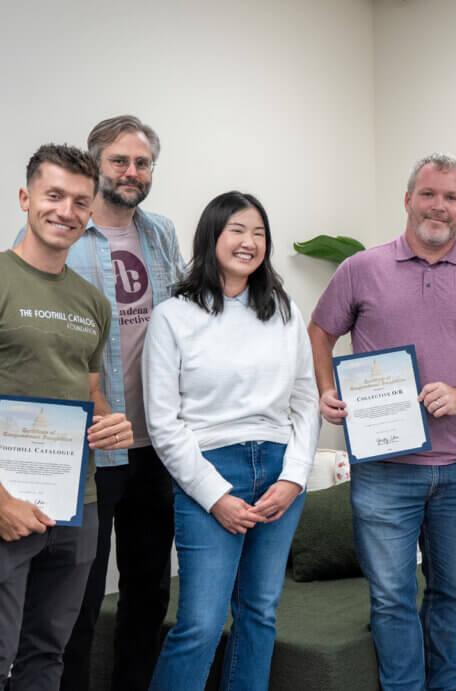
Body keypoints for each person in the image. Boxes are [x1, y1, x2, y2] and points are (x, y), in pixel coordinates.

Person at [308, 153, 456, 690]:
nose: (438, 206)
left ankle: (444, 683)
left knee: (453, 591)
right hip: (384, 468)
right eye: (428, 194)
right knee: (391, 596)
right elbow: (320, 331)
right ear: (408, 200)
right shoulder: (362, 268)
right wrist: (326, 389)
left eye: (451, 197)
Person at [12, 115, 185, 691]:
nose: (132, 172)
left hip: (151, 443)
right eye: (120, 161)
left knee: (146, 591)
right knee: (74, 604)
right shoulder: (56, 241)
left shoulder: (160, 234)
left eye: (142, 163)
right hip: (77, 457)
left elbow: (184, 318)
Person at [142, 192, 318, 690]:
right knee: (199, 624)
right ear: (211, 237)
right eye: (237, 230)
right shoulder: (173, 316)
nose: (249, 242)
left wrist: (294, 478)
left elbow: (306, 400)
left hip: (279, 472)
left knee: (259, 613)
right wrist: (215, 496)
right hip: (209, 472)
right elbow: (163, 422)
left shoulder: (283, 312)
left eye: (259, 233)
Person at [1, 144, 133, 690]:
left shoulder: (93, 302)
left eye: (81, 201)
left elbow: (89, 392)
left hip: (79, 502)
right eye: (54, 195)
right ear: (26, 197)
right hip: (6, 503)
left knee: (47, 654)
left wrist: (110, 422)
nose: (66, 211)